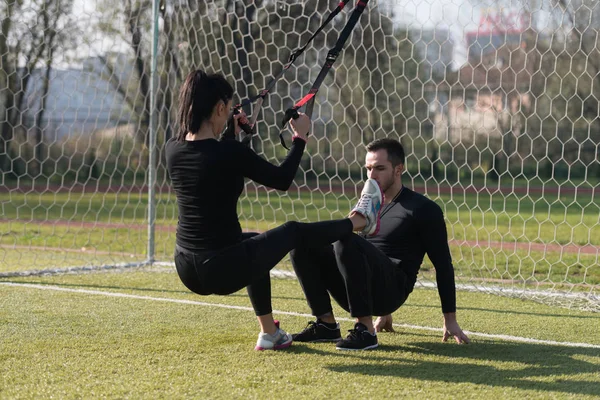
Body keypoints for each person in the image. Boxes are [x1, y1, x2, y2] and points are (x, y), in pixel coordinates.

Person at [165, 69, 385, 351]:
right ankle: (358, 222)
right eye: (228, 108)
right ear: (220, 107)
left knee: (256, 241)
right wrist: (300, 138)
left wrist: (231, 136)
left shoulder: (173, 148)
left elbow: (211, 164)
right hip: (219, 269)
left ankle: (270, 333)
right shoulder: (230, 154)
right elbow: (282, 180)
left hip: (186, 267)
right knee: (292, 231)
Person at [290, 138, 470, 350]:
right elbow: (364, 255)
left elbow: (443, 265)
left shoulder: (423, 209)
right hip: (359, 290)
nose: (372, 175)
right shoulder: (369, 204)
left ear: (398, 169)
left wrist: (450, 319)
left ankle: (365, 330)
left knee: (345, 238)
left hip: (392, 290)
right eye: (368, 169)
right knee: (301, 244)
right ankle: (326, 325)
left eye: (379, 168)